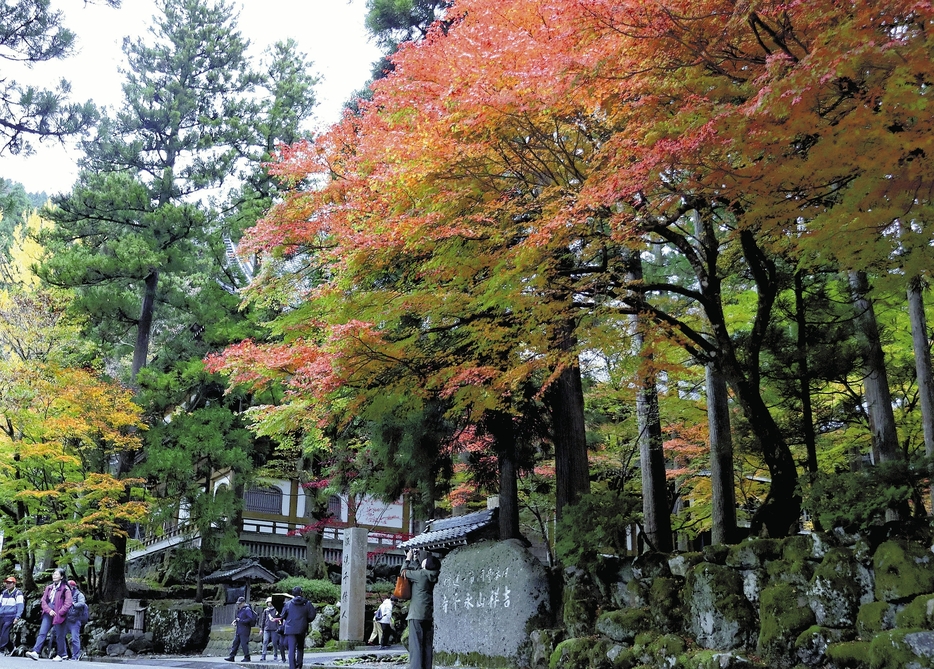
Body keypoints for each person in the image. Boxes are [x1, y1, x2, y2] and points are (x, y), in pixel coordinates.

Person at [403, 549, 440, 669]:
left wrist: (407, 559)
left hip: (416, 614)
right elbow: (420, 570)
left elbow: (403, 572)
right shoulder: (433, 574)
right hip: (428, 615)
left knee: (416, 646)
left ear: (426, 565)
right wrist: (415, 559)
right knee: (427, 645)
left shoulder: (421, 575)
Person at [26, 568, 73, 662]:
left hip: (60, 614)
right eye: (53, 574)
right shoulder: (49, 587)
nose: (54, 576)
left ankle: (61, 654)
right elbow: (43, 601)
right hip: (48, 612)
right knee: (42, 632)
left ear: (62, 577)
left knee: (59, 635)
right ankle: (36, 651)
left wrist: (60, 612)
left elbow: (68, 602)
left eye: (56, 574)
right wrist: (48, 610)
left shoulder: (65, 589)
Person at [281, 586, 315, 669]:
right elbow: (312, 615)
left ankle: (292, 667)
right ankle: (299, 665)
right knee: (300, 647)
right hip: (302, 628)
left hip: (290, 628)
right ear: (301, 593)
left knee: (291, 649)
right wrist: (305, 620)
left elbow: (283, 615)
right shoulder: (307, 603)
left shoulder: (288, 604)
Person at [224, 596, 256, 662]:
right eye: (238, 603)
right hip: (239, 629)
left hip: (245, 629)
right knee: (235, 643)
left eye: (240, 603)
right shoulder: (241, 609)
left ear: (243, 603)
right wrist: (236, 620)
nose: (239, 605)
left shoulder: (247, 609)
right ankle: (232, 656)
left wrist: (240, 621)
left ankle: (247, 657)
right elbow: (239, 617)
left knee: (244, 643)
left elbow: (250, 619)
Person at [64, 580, 87, 661]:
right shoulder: (65, 594)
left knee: (74, 638)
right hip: (66, 619)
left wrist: (73, 604)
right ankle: (64, 654)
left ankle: (75, 656)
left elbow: (82, 603)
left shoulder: (79, 595)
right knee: (60, 636)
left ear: (73, 587)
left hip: (75, 620)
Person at [0, 576, 24, 655]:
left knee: (4, 632)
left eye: (10, 583)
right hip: (2, 615)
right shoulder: (3, 593)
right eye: (7, 583)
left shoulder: (18, 593)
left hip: (10, 616)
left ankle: (2, 648)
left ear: (14, 584)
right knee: (2, 633)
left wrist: (17, 617)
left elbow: (20, 606)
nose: (8, 584)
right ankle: (11, 648)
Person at [259, 597, 280, 662]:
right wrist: (261, 629)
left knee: (274, 642)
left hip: (274, 628)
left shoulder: (276, 610)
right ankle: (263, 655)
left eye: (270, 602)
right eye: (268, 602)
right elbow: (263, 620)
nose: (269, 603)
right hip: (266, 628)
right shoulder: (266, 611)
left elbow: (279, 619)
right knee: (265, 641)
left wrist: (278, 627)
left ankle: (275, 655)